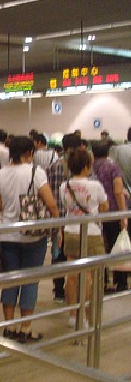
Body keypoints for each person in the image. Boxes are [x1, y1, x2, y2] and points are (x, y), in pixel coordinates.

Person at [0, 136, 59, 342]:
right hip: (32, 236)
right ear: (30, 152)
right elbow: (50, 202)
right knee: (30, 280)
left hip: (7, 233)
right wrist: (56, 223)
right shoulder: (36, 173)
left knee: (10, 280)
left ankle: (8, 327)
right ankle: (26, 329)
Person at [60, 148, 108, 327]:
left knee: (72, 275)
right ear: (87, 166)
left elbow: (66, 205)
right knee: (88, 276)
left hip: (70, 230)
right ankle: (86, 316)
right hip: (91, 232)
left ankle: (73, 314)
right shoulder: (95, 186)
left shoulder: (64, 186)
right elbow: (104, 206)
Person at [47, 133, 82, 302]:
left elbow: (50, 191)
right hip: (77, 218)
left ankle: (59, 289)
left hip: (58, 216)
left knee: (58, 254)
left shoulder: (54, 165)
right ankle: (77, 290)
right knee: (77, 255)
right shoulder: (83, 165)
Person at [92, 141, 128, 291]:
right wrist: (123, 213)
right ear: (108, 152)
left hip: (95, 214)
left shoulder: (90, 166)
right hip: (113, 212)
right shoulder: (112, 167)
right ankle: (120, 282)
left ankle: (103, 281)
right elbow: (118, 190)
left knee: (101, 247)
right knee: (116, 246)